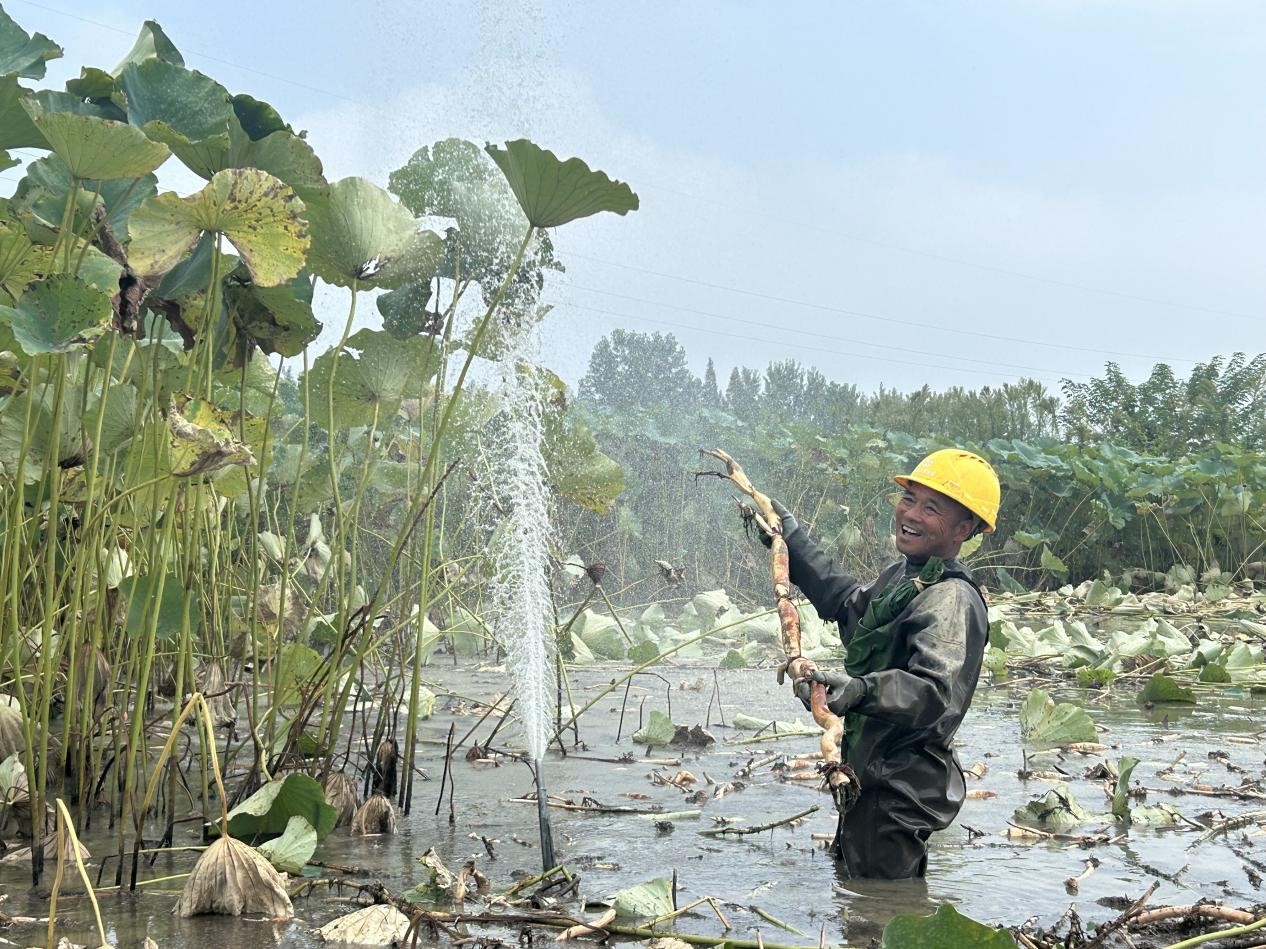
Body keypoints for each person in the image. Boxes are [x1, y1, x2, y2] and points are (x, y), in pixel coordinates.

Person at [771, 448, 1000, 879]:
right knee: (865, 897)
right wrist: (792, 542)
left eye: (931, 507)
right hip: (871, 775)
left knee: (882, 911)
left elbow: (932, 691)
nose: (910, 513)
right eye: (909, 498)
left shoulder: (950, 598)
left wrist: (861, 690)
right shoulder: (909, 576)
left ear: (965, 527)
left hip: (900, 786)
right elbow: (849, 606)